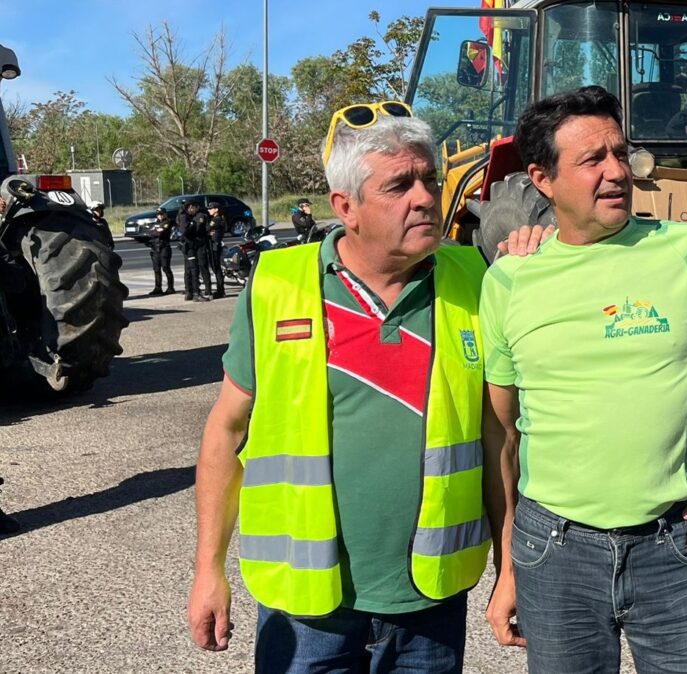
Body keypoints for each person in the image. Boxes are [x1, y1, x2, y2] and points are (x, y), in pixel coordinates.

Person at [480, 86, 687, 674]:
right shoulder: (508, 281)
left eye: (621, 154)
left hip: (674, 543)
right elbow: (502, 436)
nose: (617, 172)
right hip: (555, 550)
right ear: (542, 179)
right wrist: (509, 568)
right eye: (592, 160)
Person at [187, 108, 493, 673]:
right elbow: (227, 431)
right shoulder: (277, 285)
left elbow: (499, 438)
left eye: (430, 180)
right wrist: (209, 569)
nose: (424, 197)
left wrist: (513, 570)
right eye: (399, 185)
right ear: (345, 207)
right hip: (309, 612)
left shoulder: (476, 278)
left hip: (430, 602)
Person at [181, 201, 212, 302]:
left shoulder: (188, 217)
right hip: (191, 247)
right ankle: (196, 293)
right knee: (194, 270)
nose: (190, 209)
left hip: (191, 246)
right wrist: (192, 226)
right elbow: (187, 231)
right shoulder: (185, 218)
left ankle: (190, 292)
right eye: (188, 207)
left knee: (190, 270)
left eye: (191, 207)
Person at [147, 207, 176, 296]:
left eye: (162, 214)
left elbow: (160, 233)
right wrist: (155, 230)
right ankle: (158, 287)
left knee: (166, 268)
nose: (160, 216)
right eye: (158, 214)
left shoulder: (168, 222)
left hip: (164, 247)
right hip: (155, 248)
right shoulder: (156, 223)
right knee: (156, 269)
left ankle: (170, 287)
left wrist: (155, 230)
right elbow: (149, 232)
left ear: (165, 214)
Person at [205, 203, 226, 299]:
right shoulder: (217, 219)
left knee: (216, 268)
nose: (209, 210)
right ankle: (220, 289)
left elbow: (207, 229)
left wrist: (210, 232)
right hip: (214, 245)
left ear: (216, 209)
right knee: (216, 268)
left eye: (211, 209)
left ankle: (220, 290)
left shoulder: (216, 220)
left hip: (215, 246)